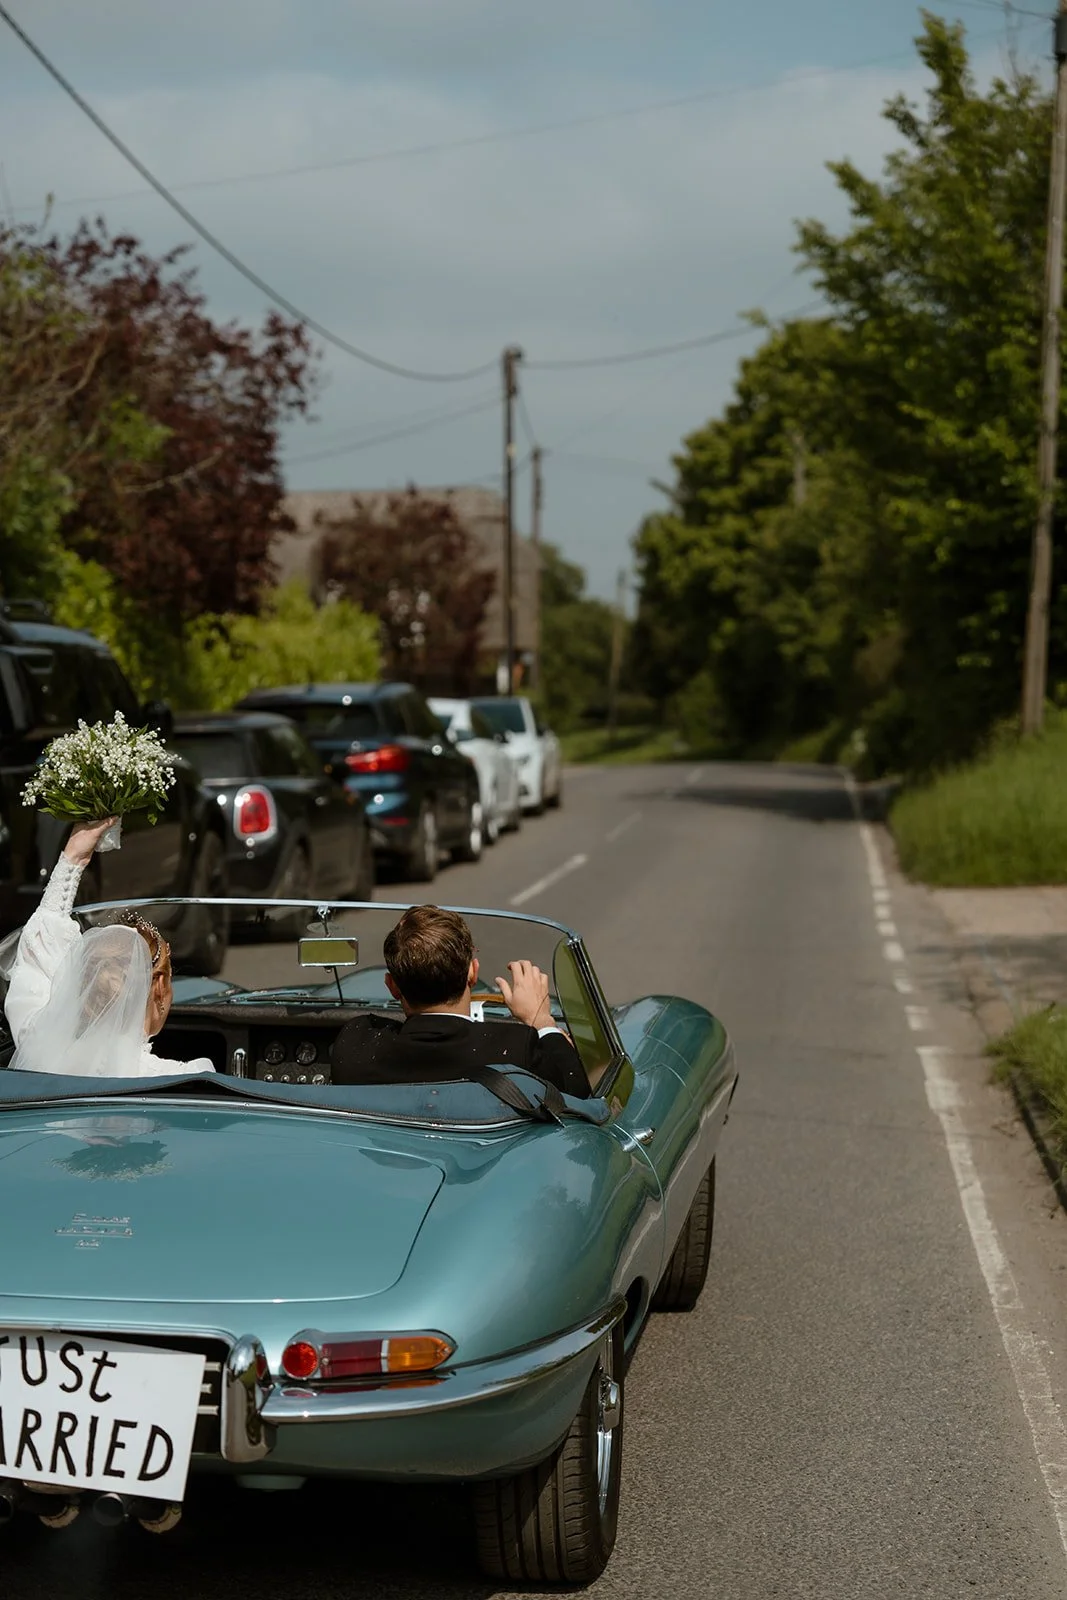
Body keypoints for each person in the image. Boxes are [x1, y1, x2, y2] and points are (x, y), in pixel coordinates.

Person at [3, 817, 214, 1078]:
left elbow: (40, 948)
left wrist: (72, 857)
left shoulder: (40, 1045)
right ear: (158, 986)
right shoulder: (181, 1079)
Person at [330, 904, 588, 1098]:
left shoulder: (356, 1047)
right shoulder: (516, 1048)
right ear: (472, 973)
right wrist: (542, 1021)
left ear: (392, 987)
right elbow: (576, 1093)